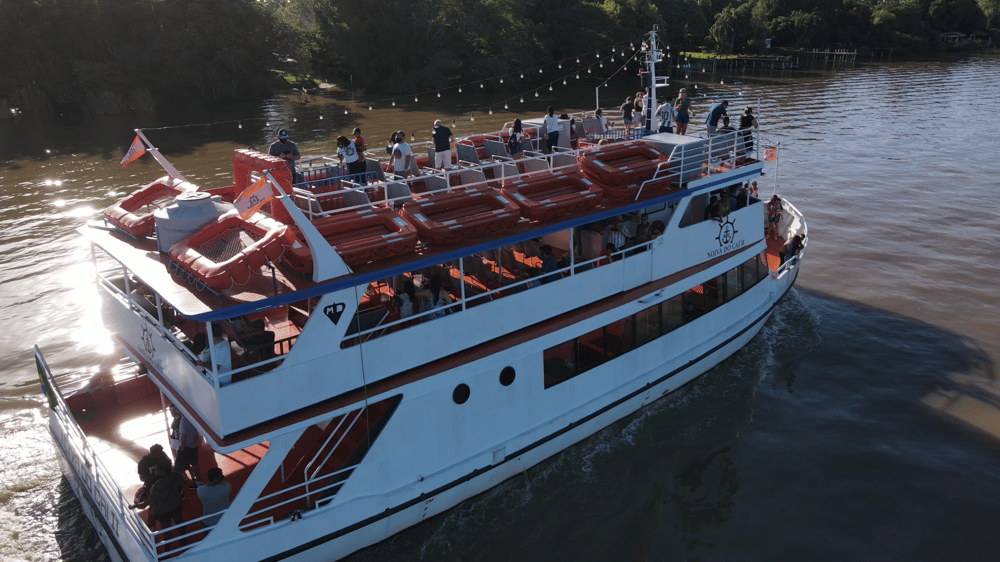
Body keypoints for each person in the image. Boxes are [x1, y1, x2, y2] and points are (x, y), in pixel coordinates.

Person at [131, 460, 186, 544]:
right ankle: (184, 541)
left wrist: (134, 506)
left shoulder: (156, 486)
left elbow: (149, 501)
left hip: (164, 511)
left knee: (167, 532)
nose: (155, 470)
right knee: (180, 524)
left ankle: (167, 551)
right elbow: (182, 483)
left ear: (161, 471)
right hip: (176, 506)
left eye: (156, 469)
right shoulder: (176, 476)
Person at [174, 407, 201, 489]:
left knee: (178, 467)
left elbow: (183, 436)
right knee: (195, 464)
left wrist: (182, 449)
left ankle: (180, 487)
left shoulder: (183, 421)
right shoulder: (192, 418)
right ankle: (199, 481)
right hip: (193, 446)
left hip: (186, 447)